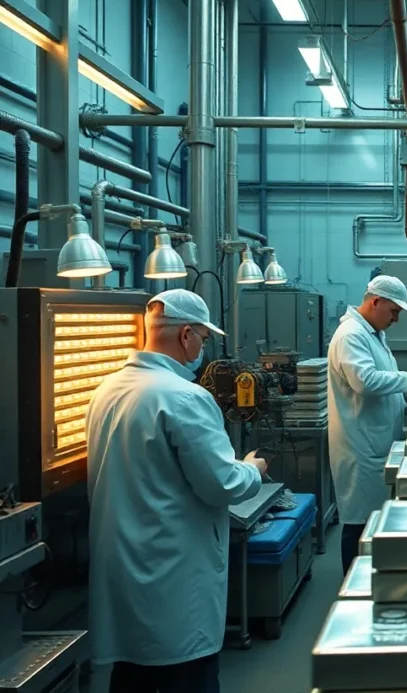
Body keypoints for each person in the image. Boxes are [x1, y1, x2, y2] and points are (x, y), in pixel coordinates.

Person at [86, 289, 267, 693]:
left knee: (133, 675)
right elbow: (224, 483)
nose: (202, 347)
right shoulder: (185, 397)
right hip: (173, 579)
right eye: (202, 337)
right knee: (184, 674)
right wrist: (252, 469)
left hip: (125, 573)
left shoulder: (107, 390)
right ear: (186, 335)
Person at [328, 275, 407, 573]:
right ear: (376, 301)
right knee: (359, 524)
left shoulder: (373, 334)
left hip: (377, 442)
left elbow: (384, 377)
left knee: (373, 521)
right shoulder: (351, 335)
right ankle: (353, 586)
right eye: (394, 312)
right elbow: (364, 381)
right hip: (360, 449)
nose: (396, 319)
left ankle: (372, 578)